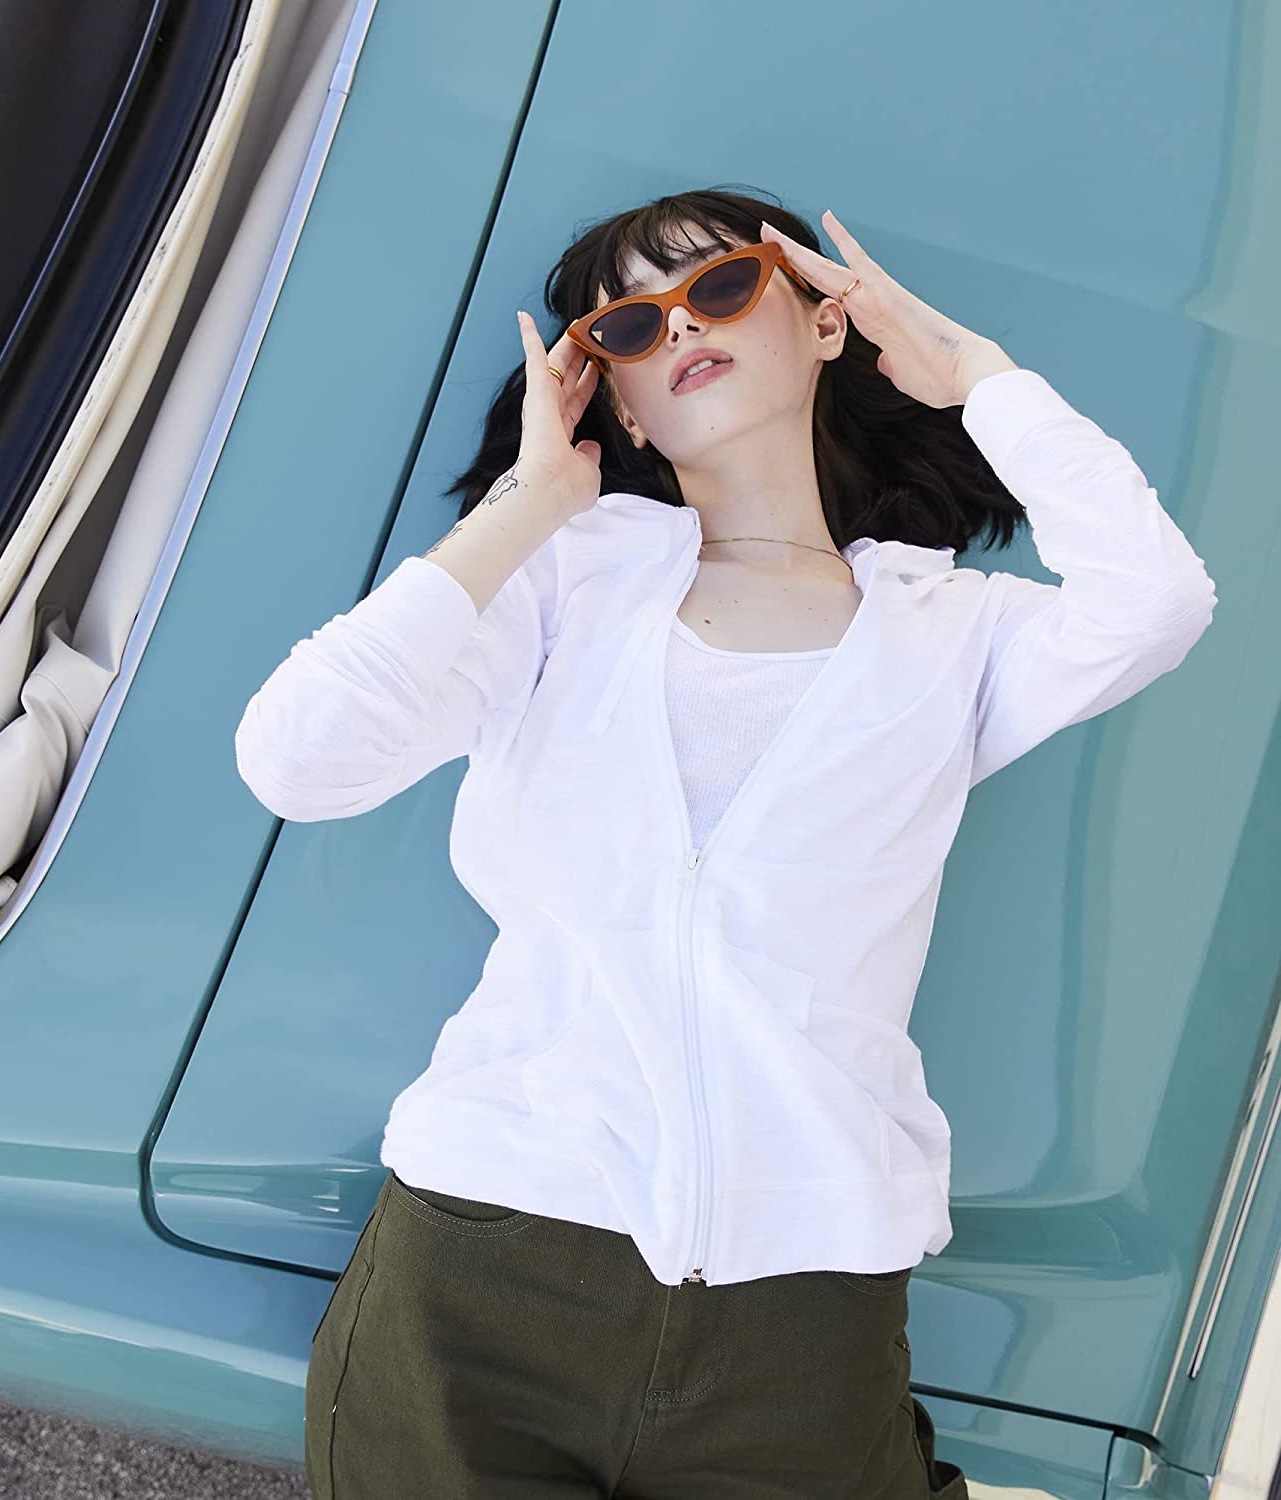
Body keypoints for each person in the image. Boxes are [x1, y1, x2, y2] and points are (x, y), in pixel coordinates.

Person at [235, 189, 1218, 1498]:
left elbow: (1157, 602)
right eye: (631, 325)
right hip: (483, 1271)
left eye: (719, 286)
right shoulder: (559, 588)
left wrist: (974, 376)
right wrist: (527, 507)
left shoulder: (952, 634)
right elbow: (297, 760)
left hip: (803, 1309)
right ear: (623, 405)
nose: (682, 326)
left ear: (825, 321)